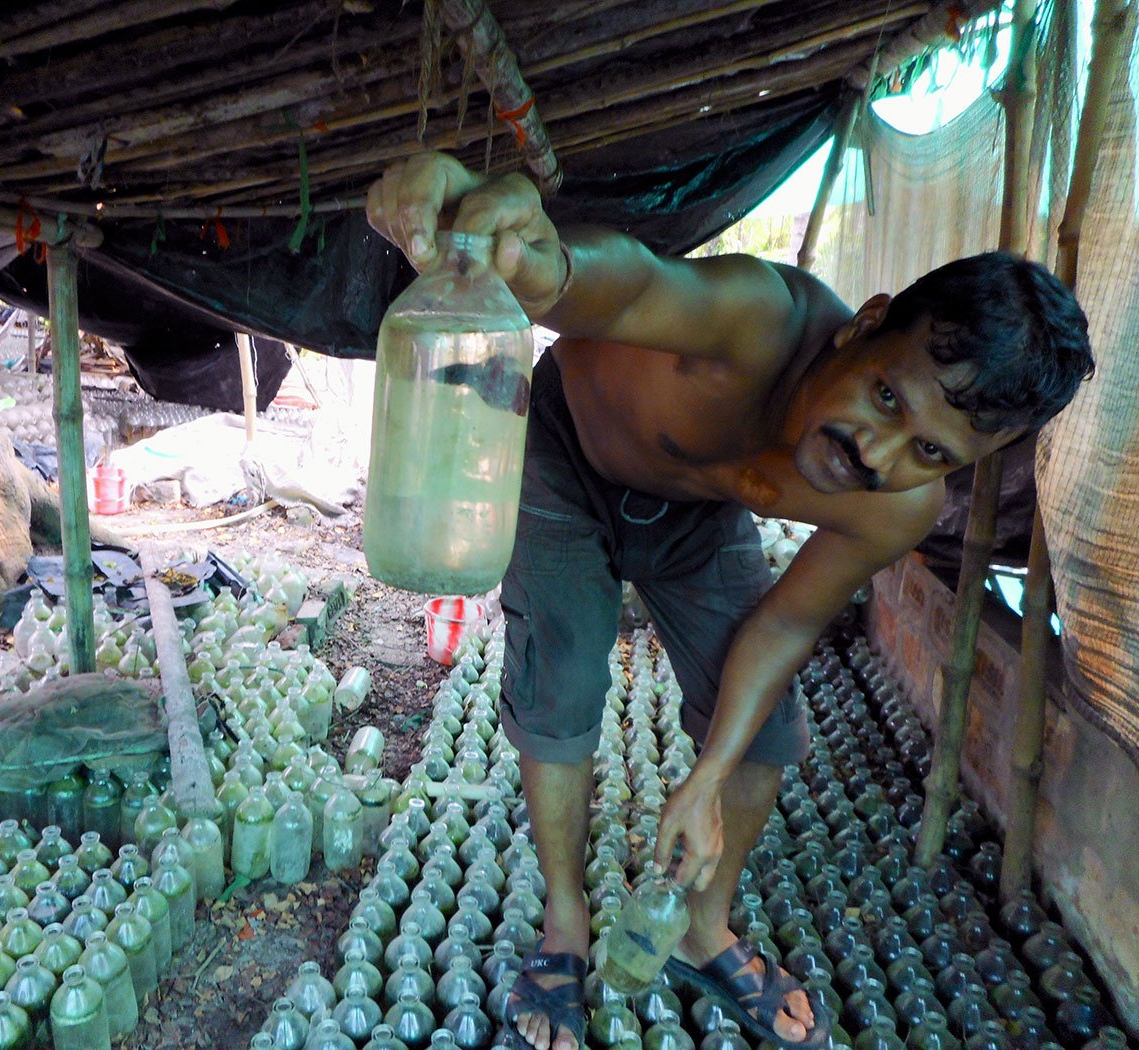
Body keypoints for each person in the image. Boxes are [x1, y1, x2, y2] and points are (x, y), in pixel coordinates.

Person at [366, 152, 1093, 1050]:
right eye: (886, 396)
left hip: (694, 515)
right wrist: (536, 262)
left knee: (767, 726)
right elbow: (622, 288)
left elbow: (785, 625)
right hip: (562, 455)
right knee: (560, 684)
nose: (880, 451)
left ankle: (703, 930)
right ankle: (564, 922)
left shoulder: (895, 507)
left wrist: (705, 778)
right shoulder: (758, 318)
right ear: (861, 329)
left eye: (932, 452)